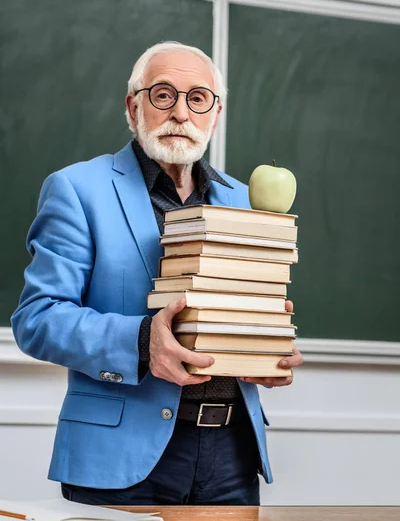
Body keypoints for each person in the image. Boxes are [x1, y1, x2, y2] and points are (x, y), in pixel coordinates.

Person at [12, 42, 303, 506]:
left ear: (216, 112)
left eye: (198, 98)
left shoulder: (245, 199)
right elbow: (38, 318)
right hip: (119, 457)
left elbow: (249, 305)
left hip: (231, 455)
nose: (181, 113)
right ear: (134, 106)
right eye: (163, 95)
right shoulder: (76, 189)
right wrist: (142, 341)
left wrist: (265, 346)